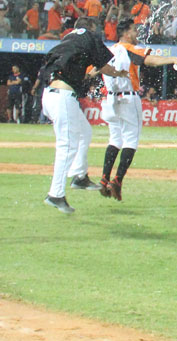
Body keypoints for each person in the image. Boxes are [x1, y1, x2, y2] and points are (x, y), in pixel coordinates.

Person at [37, 17, 129, 214]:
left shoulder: (68, 39)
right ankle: (56, 194)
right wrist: (119, 73)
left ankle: (79, 176)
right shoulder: (89, 36)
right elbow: (104, 67)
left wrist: (85, 75)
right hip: (62, 97)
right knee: (67, 145)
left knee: (84, 131)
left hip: (50, 94)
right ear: (91, 28)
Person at [99, 17, 177, 201]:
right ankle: (117, 180)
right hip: (128, 98)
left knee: (115, 138)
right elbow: (150, 60)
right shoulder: (129, 49)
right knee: (131, 140)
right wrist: (174, 59)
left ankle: (103, 179)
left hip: (109, 99)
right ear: (125, 33)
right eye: (133, 30)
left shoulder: (109, 50)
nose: (136, 33)